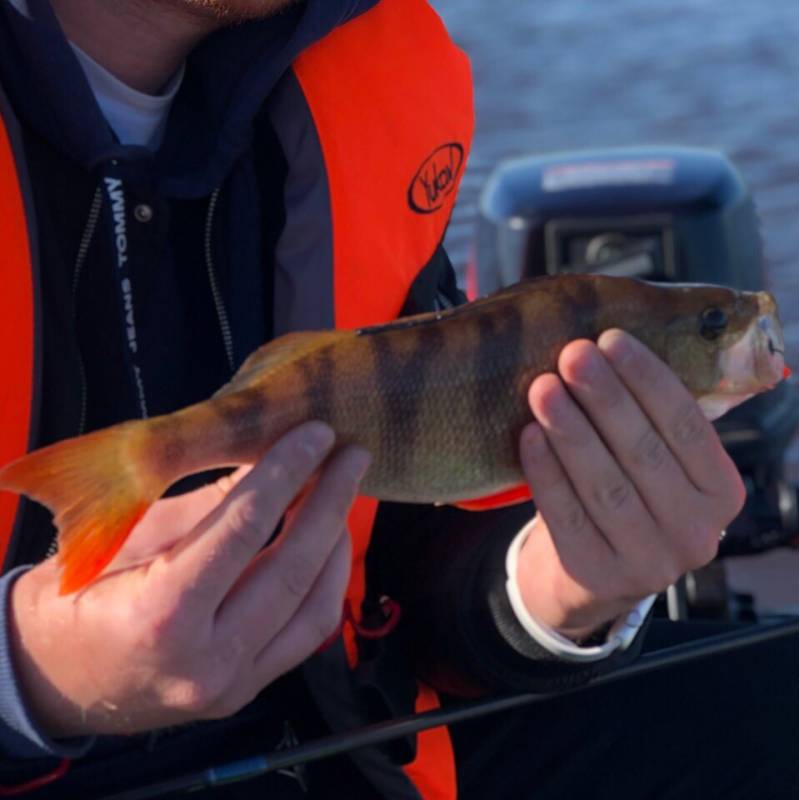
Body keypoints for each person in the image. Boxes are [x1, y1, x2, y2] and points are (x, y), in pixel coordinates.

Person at [0, 0, 750, 797]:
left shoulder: (349, 60)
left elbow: (404, 556)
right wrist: (30, 674)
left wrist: (550, 594)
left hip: (349, 744)